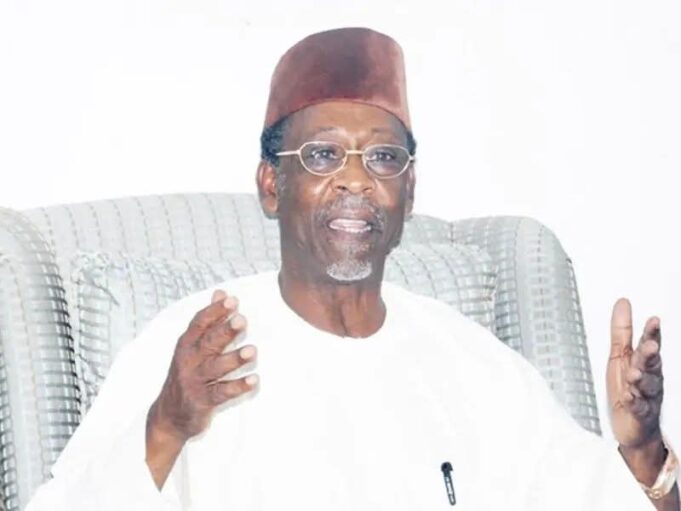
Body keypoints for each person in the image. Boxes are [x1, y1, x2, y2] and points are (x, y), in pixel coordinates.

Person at [26, 27, 677, 510]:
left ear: (409, 192)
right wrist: (166, 425)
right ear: (271, 185)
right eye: (322, 155)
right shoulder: (196, 348)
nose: (356, 180)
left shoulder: (476, 365)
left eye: (384, 158)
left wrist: (643, 447)